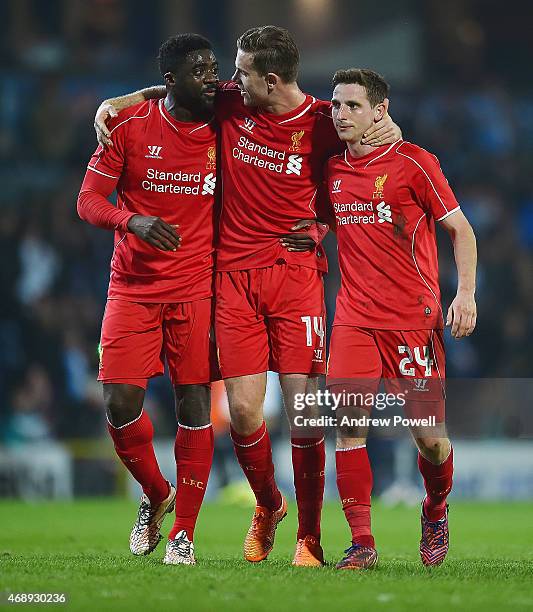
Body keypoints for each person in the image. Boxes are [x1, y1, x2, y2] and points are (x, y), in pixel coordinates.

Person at [94, 26, 401, 567]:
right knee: (241, 413)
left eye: (240, 72)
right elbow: (170, 92)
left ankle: (310, 537)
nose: (228, 82)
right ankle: (267, 506)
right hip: (232, 278)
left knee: (304, 414)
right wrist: (118, 100)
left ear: (271, 80)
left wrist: (323, 228)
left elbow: (368, 168)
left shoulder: (326, 121)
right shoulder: (234, 103)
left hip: (296, 277)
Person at [77, 33, 222, 566]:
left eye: (215, 68)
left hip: (196, 288)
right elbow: (88, 200)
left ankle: (184, 531)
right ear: (171, 80)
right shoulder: (130, 127)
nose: (213, 77)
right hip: (133, 286)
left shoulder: (226, 119)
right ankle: (157, 494)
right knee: (119, 403)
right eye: (201, 70)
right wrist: (129, 219)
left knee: (195, 404)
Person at [325, 69, 477, 569]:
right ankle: (362, 544)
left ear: (380, 111)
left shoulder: (415, 162)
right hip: (353, 319)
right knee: (348, 427)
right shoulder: (330, 168)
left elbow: (460, 230)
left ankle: (434, 509)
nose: (341, 113)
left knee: (431, 440)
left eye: (352, 105)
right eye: (336, 105)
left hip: (413, 320)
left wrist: (466, 295)